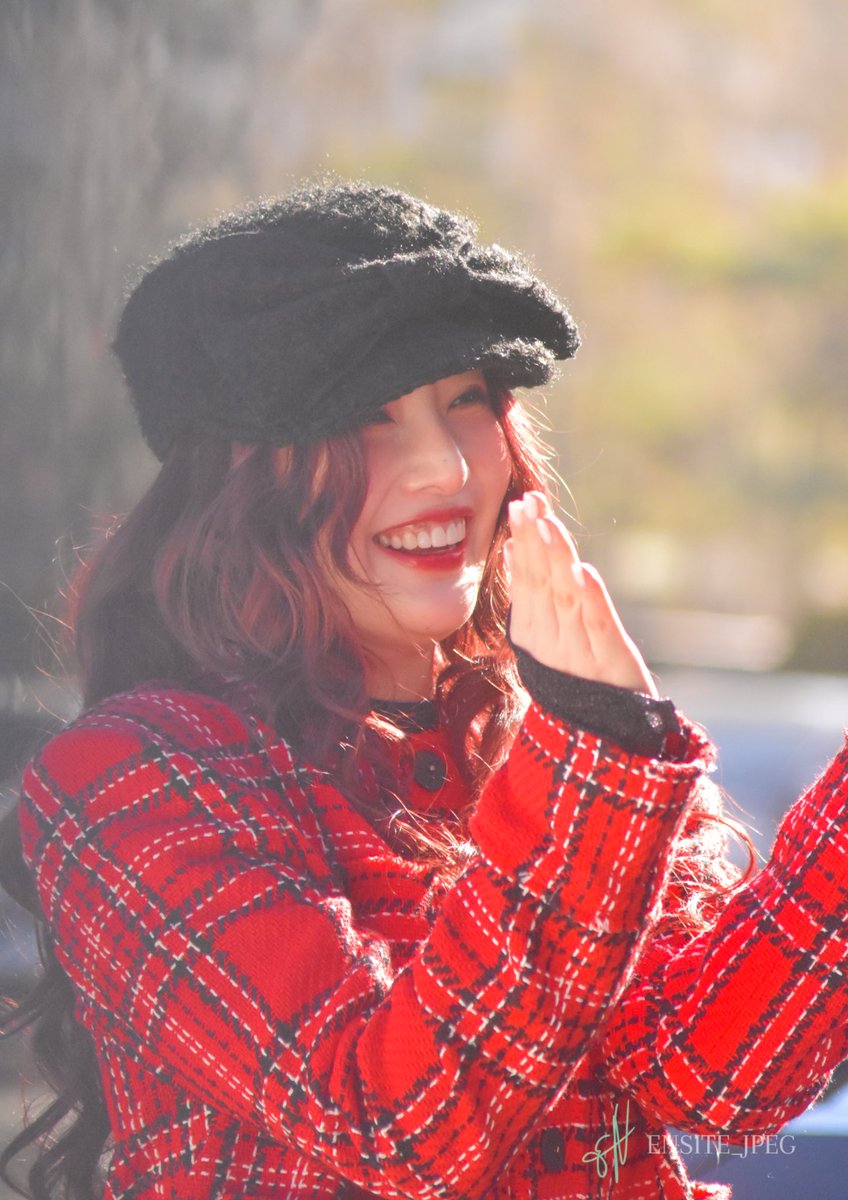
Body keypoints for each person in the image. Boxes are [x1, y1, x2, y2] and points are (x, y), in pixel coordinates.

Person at [1, 180, 847, 1200]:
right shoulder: (126, 777)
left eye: (467, 400)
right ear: (235, 479)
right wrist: (591, 763)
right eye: (367, 417)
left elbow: (709, 1080)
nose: (443, 468)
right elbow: (396, 1129)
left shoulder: (546, 735)